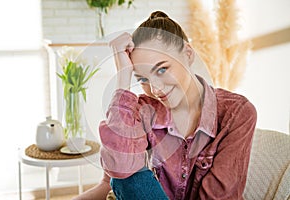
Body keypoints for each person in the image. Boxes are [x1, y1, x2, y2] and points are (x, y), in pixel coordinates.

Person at [74, 11, 257, 200]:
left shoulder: (236, 112)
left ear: (188, 53)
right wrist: (123, 75)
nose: (156, 89)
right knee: (128, 174)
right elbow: (116, 176)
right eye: (143, 79)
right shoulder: (141, 111)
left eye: (162, 69)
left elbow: (220, 197)